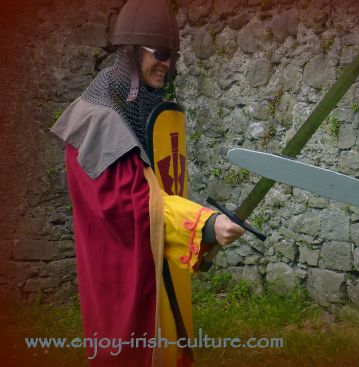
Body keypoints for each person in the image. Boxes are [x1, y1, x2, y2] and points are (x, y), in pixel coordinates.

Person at [50, 0, 244, 365]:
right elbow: (125, 206)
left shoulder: (138, 107)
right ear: (132, 52)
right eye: (162, 53)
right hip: (120, 267)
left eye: (173, 56)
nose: (167, 65)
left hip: (154, 260)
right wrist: (202, 224)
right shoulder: (98, 122)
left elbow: (161, 187)